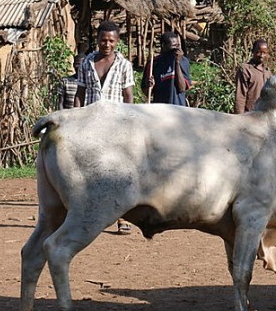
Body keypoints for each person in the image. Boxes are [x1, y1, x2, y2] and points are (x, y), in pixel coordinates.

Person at [74, 20, 135, 234]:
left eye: (110, 40)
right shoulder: (87, 62)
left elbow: (128, 96)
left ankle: (121, 217)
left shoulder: (124, 65)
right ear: (97, 40)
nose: (106, 44)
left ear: (117, 42)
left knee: (117, 171)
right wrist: (77, 118)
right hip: (91, 124)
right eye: (102, 40)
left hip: (116, 124)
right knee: (90, 171)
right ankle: (90, 217)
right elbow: (80, 94)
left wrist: (129, 123)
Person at [141, 31, 191, 105]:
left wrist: (177, 62)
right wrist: (150, 85)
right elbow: (147, 93)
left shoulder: (183, 61)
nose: (177, 49)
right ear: (164, 45)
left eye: (178, 45)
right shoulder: (153, 63)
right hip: (160, 110)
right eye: (174, 46)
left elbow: (182, 88)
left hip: (178, 110)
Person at [234, 39, 272, 113]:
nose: (261, 55)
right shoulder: (245, 70)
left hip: (263, 115)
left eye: (264, 53)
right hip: (249, 114)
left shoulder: (267, 72)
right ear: (253, 51)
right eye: (258, 52)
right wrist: (240, 117)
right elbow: (240, 96)